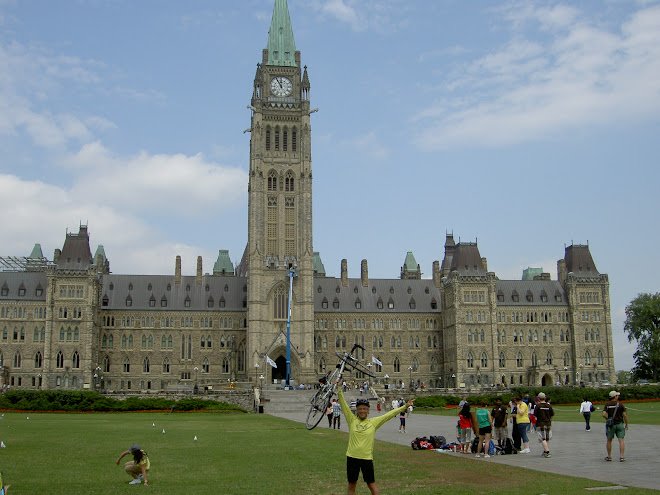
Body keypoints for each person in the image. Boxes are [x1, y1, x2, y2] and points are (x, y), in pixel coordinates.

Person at [338, 390, 414, 495]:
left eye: (364, 409)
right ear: (357, 410)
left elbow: (389, 415)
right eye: (360, 409)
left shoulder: (373, 422)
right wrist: (339, 390)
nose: (362, 411)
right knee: (352, 484)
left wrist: (405, 406)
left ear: (368, 410)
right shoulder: (352, 420)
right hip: (352, 457)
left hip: (366, 458)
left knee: (371, 485)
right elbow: (344, 405)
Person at [603, 390, 628, 462]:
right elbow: (625, 416)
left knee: (609, 440)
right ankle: (621, 457)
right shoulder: (620, 405)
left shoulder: (607, 405)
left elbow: (603, 414)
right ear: (615, 397)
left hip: (611, 425)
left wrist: (608, 419)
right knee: (621, 440)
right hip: (619, 424)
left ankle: (609, 456)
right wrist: (626, 424)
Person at [535, 392, 554, 458]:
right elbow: (552, 414)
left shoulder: (538, 406)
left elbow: (535, 415)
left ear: (539, 398)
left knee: (542, 438)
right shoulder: (549, 406)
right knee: (547, 438)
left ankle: (547, 451)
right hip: (548, 423)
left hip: (540, 423)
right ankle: (545, 450)